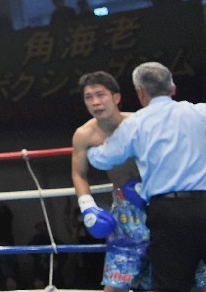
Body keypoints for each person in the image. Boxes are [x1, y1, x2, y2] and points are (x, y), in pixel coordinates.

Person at [87, 62, 206, 292]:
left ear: (140, 93)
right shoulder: (200, 112)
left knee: (171, 285)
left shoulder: (136, 124)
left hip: (168, 212)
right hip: (204, 204)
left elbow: (103, 159)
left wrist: (89, 147)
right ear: (173, 88)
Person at [71, 71, 150, 292]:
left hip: (158, 203)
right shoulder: (84, 135)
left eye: (100, 95)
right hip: (123, 211)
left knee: (191, 279)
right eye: (89, 97)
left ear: (116, 97)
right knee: (115, 285)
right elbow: (79, 174)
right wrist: (87, 207)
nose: (95, 102)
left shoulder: (139, 123)